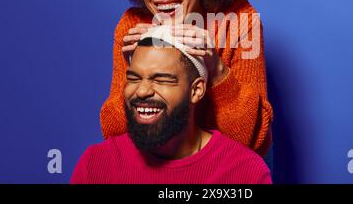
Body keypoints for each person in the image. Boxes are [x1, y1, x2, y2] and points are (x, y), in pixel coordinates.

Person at [101, 0, 273, 157]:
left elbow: (250, 140)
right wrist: (133, 72)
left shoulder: (239, 20)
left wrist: (215, 69)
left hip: (229, 164)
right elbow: (113, 134)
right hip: (164, 161)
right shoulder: (133, 26)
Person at [71, 27, 272, 184]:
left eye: (162, 80)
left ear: (196, 90)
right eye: (133, 78)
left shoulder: (245, 173)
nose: (142, 91)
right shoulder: (95, 165)